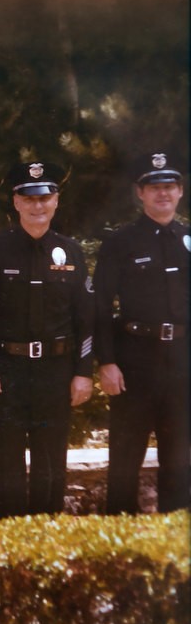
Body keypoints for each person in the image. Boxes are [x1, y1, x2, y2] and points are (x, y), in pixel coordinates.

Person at [0, 162, 94, 518]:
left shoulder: (70, 252)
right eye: (29, 198)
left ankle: (48, 538)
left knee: (51, 461)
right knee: (6, 461)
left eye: (45, 198)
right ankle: (9, 541)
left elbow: (85, 317)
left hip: (55, 370)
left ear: (56, 201)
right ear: (16, 202)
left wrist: (83, 371)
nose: (37, 206)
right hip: (7, 370)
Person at [95, 152, 188, 514]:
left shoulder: (188, 239)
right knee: (125, 454)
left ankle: (172, 536)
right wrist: (107, 361)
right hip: (135, 359)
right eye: (154, 188)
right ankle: (121, 535)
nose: (162, 194)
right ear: (140, 193)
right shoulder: (121, 242)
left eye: (169, 187)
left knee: (180, 454)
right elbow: (100, 306)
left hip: (182, 358)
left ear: (180, 191)